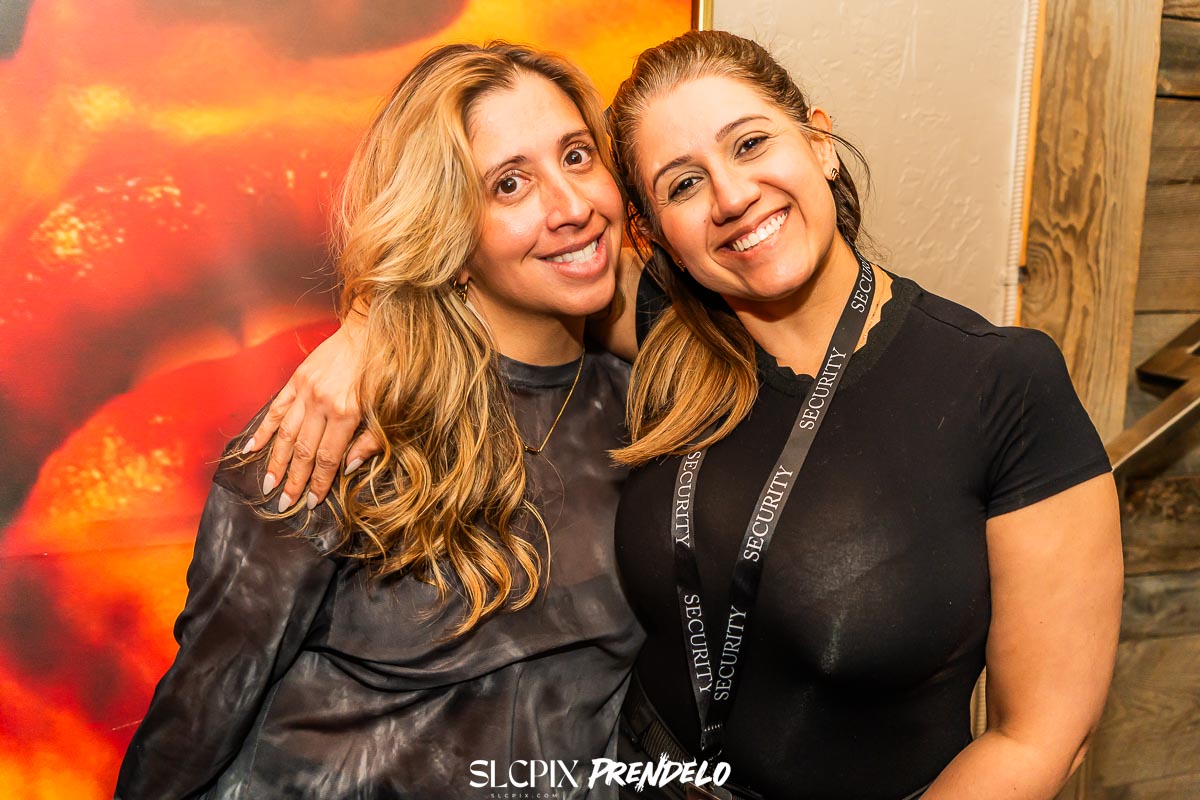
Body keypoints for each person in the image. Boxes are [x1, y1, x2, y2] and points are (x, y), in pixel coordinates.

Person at [252, 31, 1123, 800]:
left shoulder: (1000, 383)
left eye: (751, 143)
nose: (732, 196)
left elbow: (1041, 735)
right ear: (655, 231)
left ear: (819, 141)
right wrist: (365, 331)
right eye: (683, 184)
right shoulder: (673, 330)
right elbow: (468, 260)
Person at [115, 42, 642, 799]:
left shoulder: (648, 415)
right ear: (447, 227)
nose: (571, 206)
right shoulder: (337, 425)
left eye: (577, 155)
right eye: (509, 184)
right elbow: (201, 712)